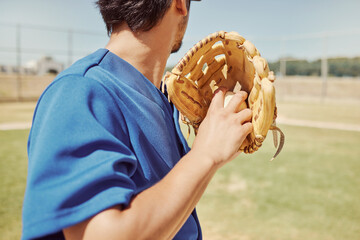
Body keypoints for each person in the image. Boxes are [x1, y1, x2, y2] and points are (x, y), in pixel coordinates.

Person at [22, 0, 253, 239]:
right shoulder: (79, 90)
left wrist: (212, 151)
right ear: (180, 4)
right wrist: (206, 154)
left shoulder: (163, 99)